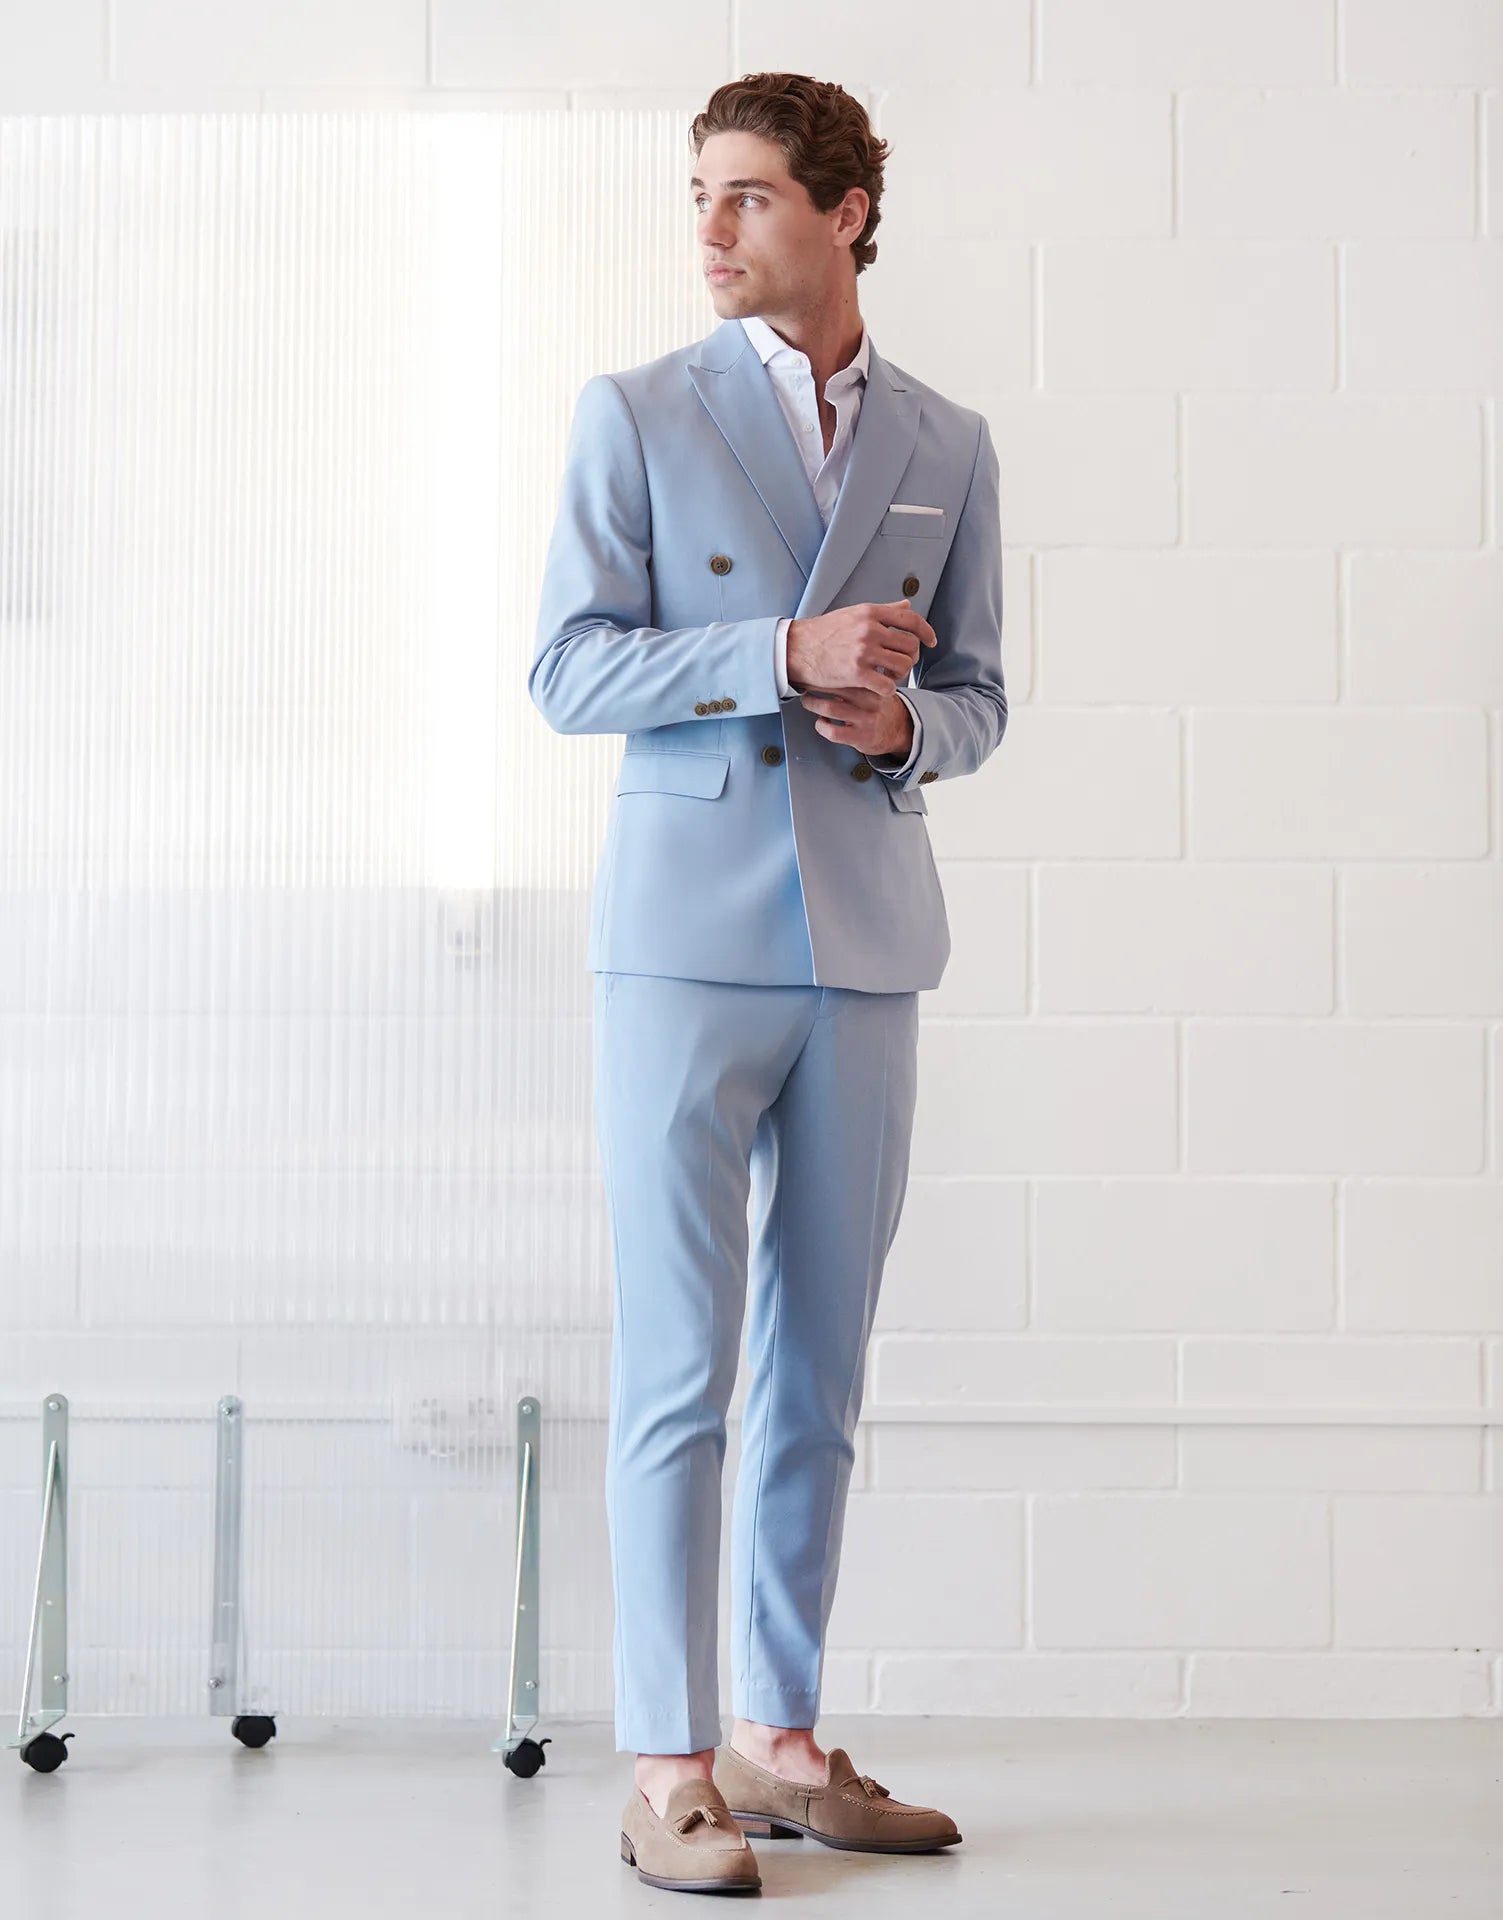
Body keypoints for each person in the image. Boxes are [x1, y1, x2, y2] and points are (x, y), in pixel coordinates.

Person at [530, 70, 1007, 1895]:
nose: (712, 229)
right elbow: (570, 670)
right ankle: (669, 1763)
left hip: (864, 943)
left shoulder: (949, 438)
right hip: (683, 942)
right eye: (701, 196)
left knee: (821, 1365)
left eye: (747, 196)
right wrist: (780, 652)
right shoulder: (637, 411)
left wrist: (904, 724)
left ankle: (779, 1741)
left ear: (846, 211)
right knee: (680, 1367)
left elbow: (980, 695)